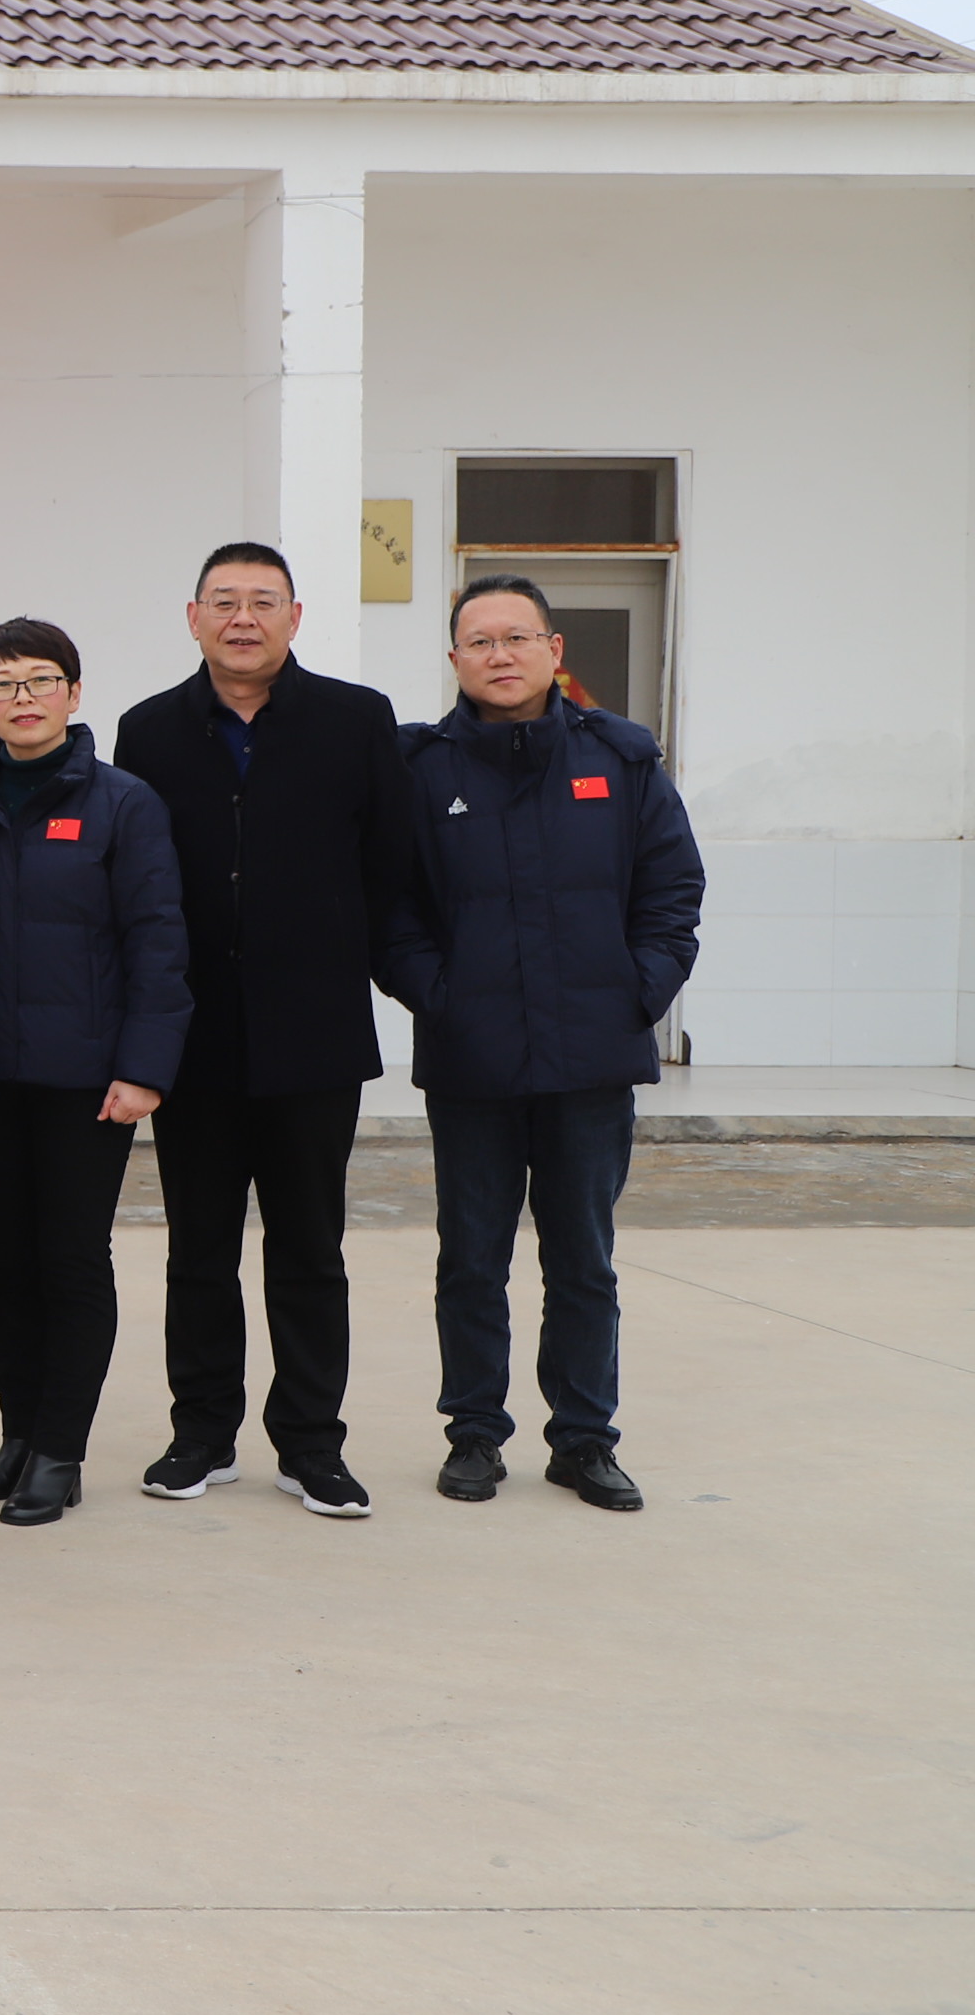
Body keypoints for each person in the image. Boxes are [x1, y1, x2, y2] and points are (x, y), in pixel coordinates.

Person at [376, 574, 704, 1513]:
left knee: (583, 1261)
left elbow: (673, 891)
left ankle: (585, 1440)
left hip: (591, 1060)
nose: (501, 655)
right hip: (472, 1061)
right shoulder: (421, 769)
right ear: (455, 659)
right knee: (471, 1260)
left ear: (553, 650)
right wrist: (440, 998)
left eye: (518, 637)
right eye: (480, 641)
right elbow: (389, 909)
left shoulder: (622, 758)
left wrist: (635, 993)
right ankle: (474, 1434)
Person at [112, 542, 419, 1519]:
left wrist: (370, 969)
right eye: (223, 601)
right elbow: (134, 884)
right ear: (192, 617)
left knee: (308, 1249)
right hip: (193, 1037)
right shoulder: (148, 730)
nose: (241, 618)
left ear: (294, 616)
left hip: (313, 1033)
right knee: (198, 1248)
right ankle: (201, 1434)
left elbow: (393, 864)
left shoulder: (355, 719)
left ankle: (311, 1443)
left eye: (261, 601)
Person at [0, 619, 192, 1527]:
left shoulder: (124, 804)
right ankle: (19, 1435)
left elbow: (158, 941)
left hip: (87, 1082)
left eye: (42, 680)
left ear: (74, 694)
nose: (24, 698)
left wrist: (144, 1069)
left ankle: (61, 1449)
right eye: (4, 684)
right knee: (5, 1260)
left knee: (72, 1259)